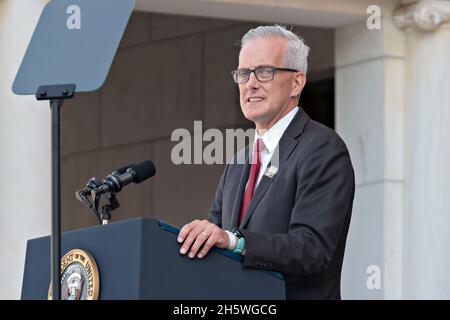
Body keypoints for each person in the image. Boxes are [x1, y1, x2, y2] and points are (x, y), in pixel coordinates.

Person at [177, 25, 355, 300]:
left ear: (297, 82)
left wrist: (234, 241)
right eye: (244, 73)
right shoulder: (238, 163)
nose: (250, 84)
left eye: (264, 72)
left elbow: (312, 249)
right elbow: (214, 243)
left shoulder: (323, 149)